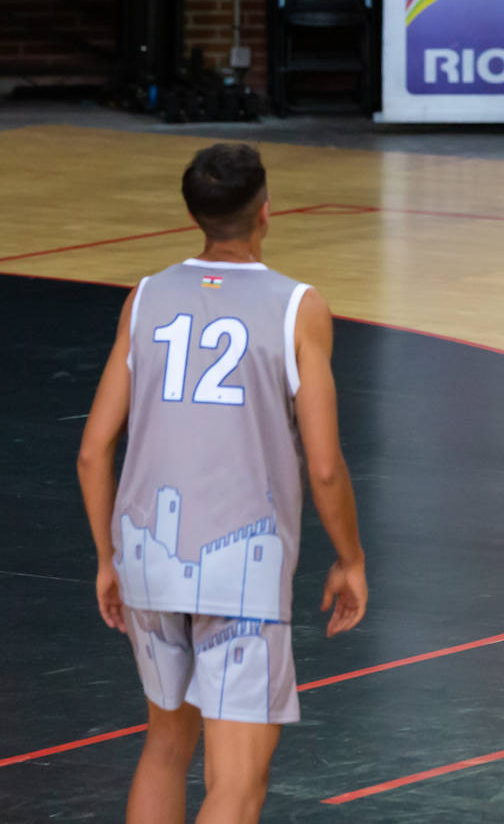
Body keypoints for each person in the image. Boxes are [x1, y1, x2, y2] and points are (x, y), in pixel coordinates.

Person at [77, 142, 367, 822]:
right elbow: (323, 464)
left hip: (146, 552)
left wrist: (105, 559)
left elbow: (94, 451)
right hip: (240, 565)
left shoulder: (145, 296)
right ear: (266, 213)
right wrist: (350, 558)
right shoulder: (298, 306)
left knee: (165, 746)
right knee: (235, 786)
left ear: (193, 214)